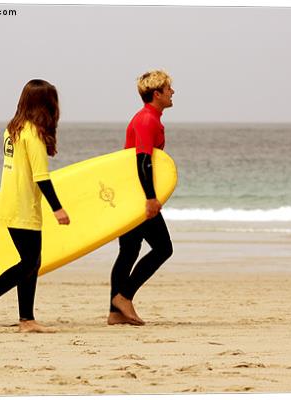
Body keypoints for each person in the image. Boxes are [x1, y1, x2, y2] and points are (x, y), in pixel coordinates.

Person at [0, 79, 70, 334]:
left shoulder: (13, 129)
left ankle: (27, 319)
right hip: (24, 205)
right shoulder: (33, 132)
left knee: (31, 262)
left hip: (11, 202)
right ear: (46, 105)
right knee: (28, 262)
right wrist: (57, 208)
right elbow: (41, 176)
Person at [108, 70, 175, 326]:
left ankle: (115, 313)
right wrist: (150, 198)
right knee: (163, 248)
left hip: (131, 193)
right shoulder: (147, 120)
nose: (172, 93)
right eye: (168, 89)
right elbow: (143, 160)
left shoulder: (150, 118)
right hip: (137, 195)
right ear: (156, 94)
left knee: (128, 251)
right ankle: (124, 297)